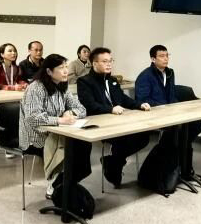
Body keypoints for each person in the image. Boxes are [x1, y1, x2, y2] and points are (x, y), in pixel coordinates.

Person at [19, 54, 91, 202]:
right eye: (61, 68)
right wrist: (60, 120)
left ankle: (64, 184)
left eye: (66, 67)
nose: (66, 71)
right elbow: (32, 118)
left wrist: (71, 112)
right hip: (36, 135)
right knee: (72, 149)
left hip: (58, 132)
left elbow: (82, 109)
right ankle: (56, 184)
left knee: (84, 145)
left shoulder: (63, 86)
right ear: (49, 71)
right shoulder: (36, 88)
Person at [77, 47, 151, 186]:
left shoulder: (112, 80)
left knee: (143, 136)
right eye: (105, 61)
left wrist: (139, 105)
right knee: (124, 139)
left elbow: (123, 99)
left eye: (111, 61)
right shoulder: (84, 81)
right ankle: (114, 164)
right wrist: (110, 109)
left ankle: (113, 162)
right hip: (99, 124)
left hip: (118, 121)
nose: (109, 64)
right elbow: (90, 105)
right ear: (94, 63)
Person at [135, 44, 201, 175]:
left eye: (167, 55)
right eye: (162, 56)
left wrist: (176, 108)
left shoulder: (170, 72)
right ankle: (172, 158)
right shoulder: (145, 76)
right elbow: (142, 99)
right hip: (154, 114)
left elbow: (172, 95)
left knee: (197, 124)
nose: (166, 59)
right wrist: (165, 107)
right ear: (153, 59)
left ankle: (177, 157)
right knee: (179, 129)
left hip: (169, 112)